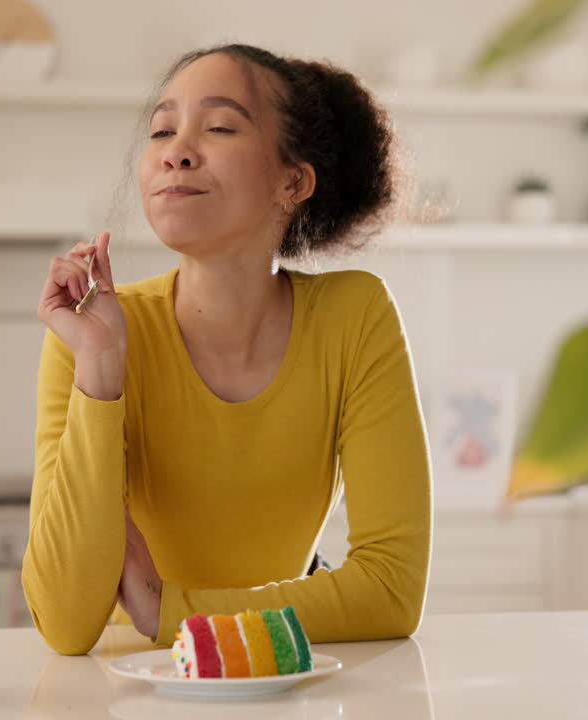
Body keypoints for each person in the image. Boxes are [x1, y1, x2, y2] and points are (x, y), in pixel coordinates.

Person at [24, 43, 432, 656]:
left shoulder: (355, 318)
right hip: (121, 695)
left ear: (292, 181)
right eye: (162, 130)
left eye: (218, 127)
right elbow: (65, 623)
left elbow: (392, 592)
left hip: (282, 683)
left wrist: (171, 613)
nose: (176, 151)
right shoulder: (92, 336)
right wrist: (102, 368)